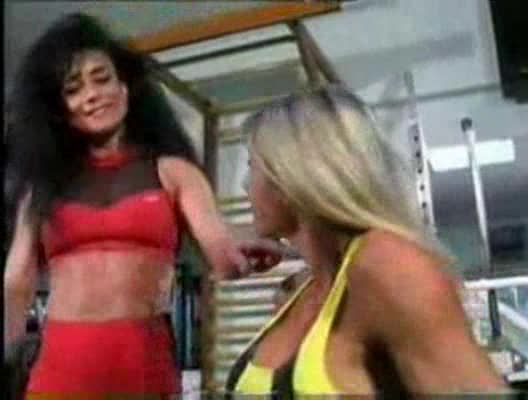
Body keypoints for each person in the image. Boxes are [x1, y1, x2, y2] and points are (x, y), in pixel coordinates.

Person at [4, 13, 281, 398]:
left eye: (102, 79)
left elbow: (221, 254)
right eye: (74, 89)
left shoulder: (175, 172)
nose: (93, 95)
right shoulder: (43, 186)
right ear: (60, 107)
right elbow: (17, 280)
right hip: (59, 375)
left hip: (145, 371)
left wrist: (252, 250)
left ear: (125, 86)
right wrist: (8, 356)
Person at [225, 84, 510, 397]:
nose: (246, 186)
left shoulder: (388, 264)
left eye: (252, 167)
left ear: (290, 174)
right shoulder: (303, 290)